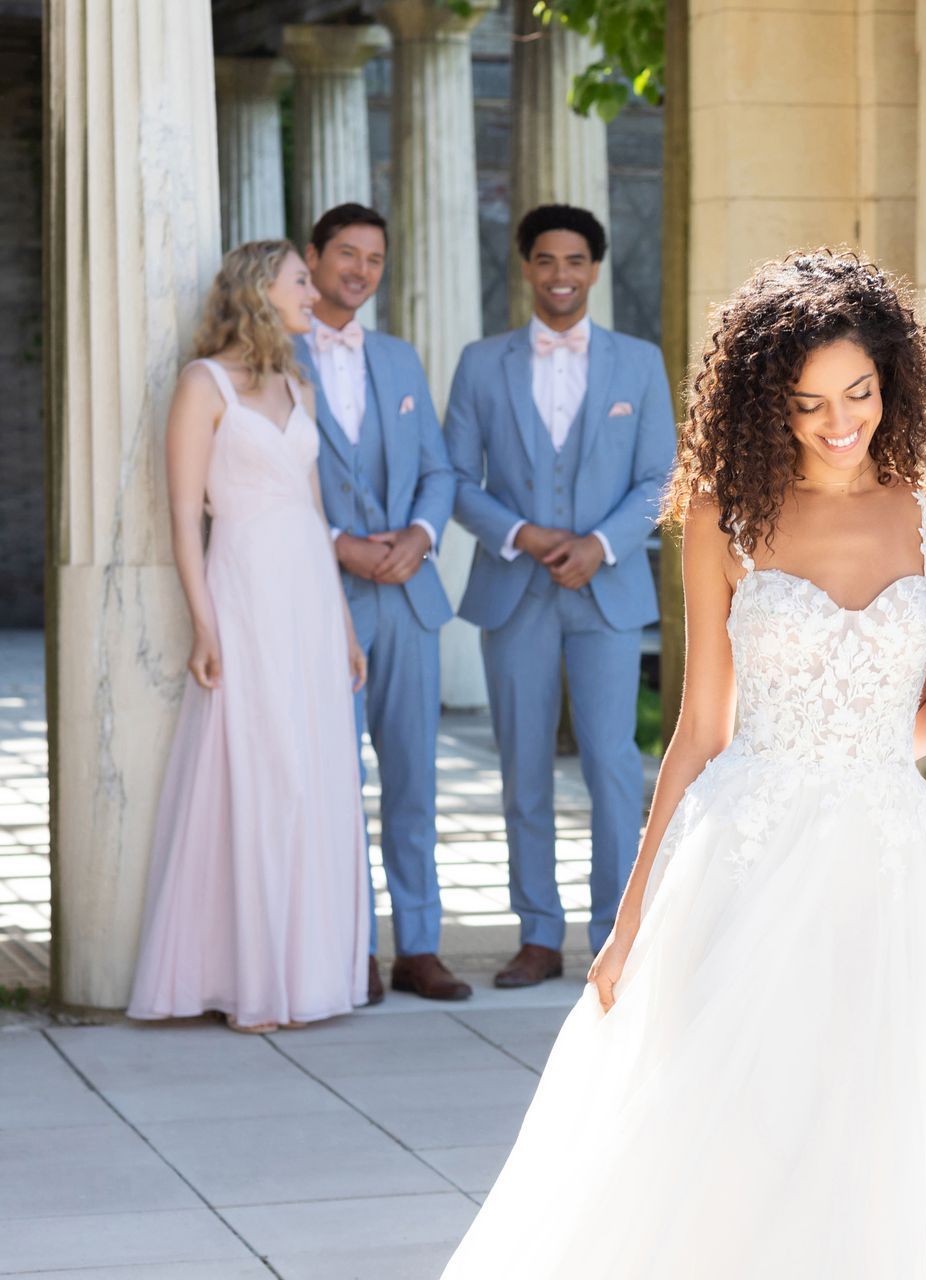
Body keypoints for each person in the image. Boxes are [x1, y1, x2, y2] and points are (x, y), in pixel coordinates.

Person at [439, 251, 926, 1278]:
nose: (839, 420)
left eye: (858, 392)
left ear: (890, 381)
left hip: (891, 856)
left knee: (884, 1119)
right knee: (737, 1118)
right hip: (750, 847)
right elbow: (701, 727)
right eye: (809, 403)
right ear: (772, 405)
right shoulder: (727, 514)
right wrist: (629, 920)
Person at [127, 240, 371, 1034]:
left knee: (313, 775)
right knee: (260, 770)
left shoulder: (295, 384)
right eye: (301, 279)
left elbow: (316, 515)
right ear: (261, 289)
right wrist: (204, 625)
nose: (315, 291)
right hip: (245, 590)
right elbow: (182, 517)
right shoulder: (203, 386)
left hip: (305, 590)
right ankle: (249, 979)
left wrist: (341, 626)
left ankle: (308, 974)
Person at [443, 204, 672, 988]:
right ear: (527, 267)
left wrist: (599, 543)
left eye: (575, 260)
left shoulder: (638, 363)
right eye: (546, 260)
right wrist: (522, 535)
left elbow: (660, 477)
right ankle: (537, 934)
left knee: (612, 765)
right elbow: (452, 479)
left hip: (606, 590)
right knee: (523, 767)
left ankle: (616, 929)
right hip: (515, 589)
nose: (561, 275)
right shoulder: (481, 363)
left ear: (595, 270)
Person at [298, 202, 468, 1005]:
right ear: (313, 257)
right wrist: (337, 541)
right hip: (320, 597)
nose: (359, 270)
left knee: (413, 778)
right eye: (346, 254)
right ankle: (351, 948)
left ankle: (420, 946)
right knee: (335, 779)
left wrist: (422, 537)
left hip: (409, 595)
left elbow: (438, 470)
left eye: (374, 258)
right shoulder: (274, 354)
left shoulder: (399, 359)